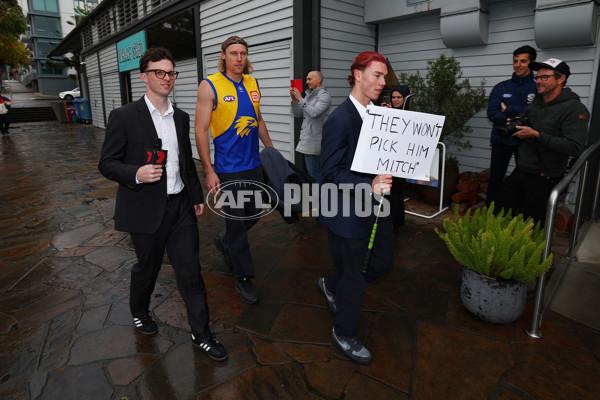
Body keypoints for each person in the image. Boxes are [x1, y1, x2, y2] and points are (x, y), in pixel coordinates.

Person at [98, 47, 228, 361]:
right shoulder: (124, 117)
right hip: (144, 207)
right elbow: (107, 163)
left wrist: (195, 196)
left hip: (180, 206)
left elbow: (185, 161)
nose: (166, 77)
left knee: (190, 271)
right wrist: (136, 173)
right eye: (160, 72)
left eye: (170, 72)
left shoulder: (180, 117)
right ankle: (139, 310)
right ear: (144, 76)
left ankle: (202, 334)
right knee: (148, 266)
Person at [317, 51, 394, 365]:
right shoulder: (339, 119)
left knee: (382, 264)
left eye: (385, 77)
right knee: (356, 278)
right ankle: (343, 332)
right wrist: (368, 186)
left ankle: (329, 284)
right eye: (377, 75)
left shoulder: (379, 114)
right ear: (358, 75)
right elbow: (330, 171)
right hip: (348, 213)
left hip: (378, 207)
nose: (383, 82)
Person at [195, 35, 274, 305]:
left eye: (242, 53)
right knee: (238, 224)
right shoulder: (210, 85)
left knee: (254, 214)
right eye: (233, 53)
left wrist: (271, 150)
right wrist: (209, 169)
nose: (239, 58)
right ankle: (243, 278)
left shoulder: (252, 83)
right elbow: (201, 130)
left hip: (254, 164)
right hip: (229, 169)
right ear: (223, 55)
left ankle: (226, 241)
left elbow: (258, 119)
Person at [496, 58, 589, 225]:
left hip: (545, 178)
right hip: (521, 171)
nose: (538, 81)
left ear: (561, 79)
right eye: (537, 77)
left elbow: (575, 147)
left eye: (544, 77)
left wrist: (536, 135)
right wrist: (518, 129)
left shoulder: (574, 108)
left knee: (530, 229)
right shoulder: (536, 104)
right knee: (498, 215)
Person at [486, 45, 538, 205]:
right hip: (501, 140)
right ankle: (490, 214)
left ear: (532, 62)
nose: (518, 65)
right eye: (515, 61)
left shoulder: (538, 87)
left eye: (523, 61)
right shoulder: (501, 87)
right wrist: (514, 120)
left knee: (526, 180)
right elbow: (493, 113)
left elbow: (536, 113)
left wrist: (509, 109)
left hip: (526, 141)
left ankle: (519, 216)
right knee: (495, 178)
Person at [289, 70, 331, 184]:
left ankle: (320, 199)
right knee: (312, 173)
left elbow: (314, 113)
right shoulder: (309, 95)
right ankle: (319, 197)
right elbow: (298, 114)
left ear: (319, 79)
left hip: (314, 142)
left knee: (314, 174)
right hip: (307, 140)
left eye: (309, 79)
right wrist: (294, 99)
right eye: (307, 79)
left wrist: (300, 98)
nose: (307, 82)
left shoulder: (324, 97)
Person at [383, 85, 412, 231]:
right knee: (386, 193)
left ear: (405, 98)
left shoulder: (410, 115)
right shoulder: (388, 111)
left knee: (396, 193)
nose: (395, 100)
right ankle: (386, 222)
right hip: (386, 159)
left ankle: (396, 224)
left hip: (400, 161)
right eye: (393, 97)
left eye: (398, 97)